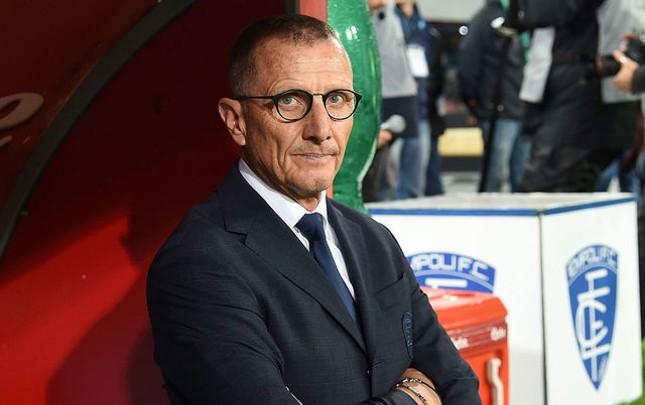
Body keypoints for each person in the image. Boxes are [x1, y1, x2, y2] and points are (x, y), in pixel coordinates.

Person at [147, 14, 480, 405]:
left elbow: (457, 384)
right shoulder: (198, 263)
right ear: (236, 121)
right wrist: (412, 397)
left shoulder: (373, 239)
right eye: (289, 100)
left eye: (337, 99)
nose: (321, 129)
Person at [504, 0, 641, 192]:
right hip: (585, 91)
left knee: (548, 188)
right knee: (563, 186)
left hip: (584, 97)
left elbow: (544, 12)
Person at [458, 0, 529, 192]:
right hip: (498, 110)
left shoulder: (524, 17)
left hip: (523, 108)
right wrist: (474, 103)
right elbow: (468, 63)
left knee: (523, 178)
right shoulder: (486, 19)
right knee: (495, 176)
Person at [362, 0, 420, 202]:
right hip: (382, 91)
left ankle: (408, 200)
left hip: (403, 90)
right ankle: (382, 200)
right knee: (385, 156)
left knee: (411, 153)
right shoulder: (368, 13)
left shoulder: (399, 13)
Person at [394, 0, 446, 198]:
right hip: (394, 109)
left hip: (420, 111)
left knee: (416, 182)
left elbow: (435, 71)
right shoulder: (386, 21)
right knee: (390, 181)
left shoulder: (425, 29)